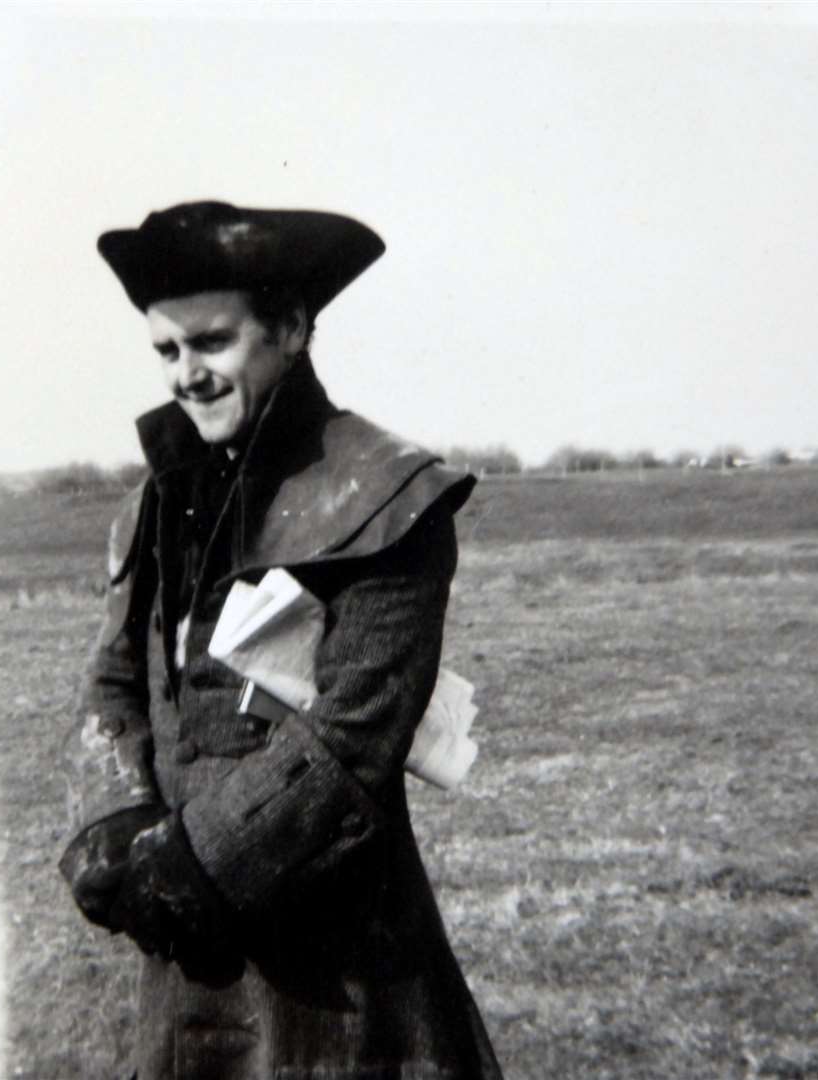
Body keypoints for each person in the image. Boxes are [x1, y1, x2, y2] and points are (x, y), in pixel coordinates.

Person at [58, 201, 501, 1079]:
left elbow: (356, 738)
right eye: (166, 351)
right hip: (187, 964)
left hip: (337, 967)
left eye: (212, 343)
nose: (186, 375)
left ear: (292, 327)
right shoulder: (154, 502)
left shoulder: (386, 493)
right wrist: (111, 830)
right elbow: (113, 682)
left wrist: (192, 866)